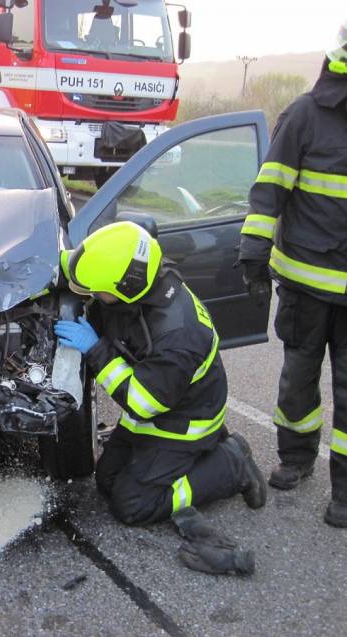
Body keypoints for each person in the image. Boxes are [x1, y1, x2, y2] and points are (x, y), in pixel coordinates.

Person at [56, 221, 268, 574]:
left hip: (181, 424)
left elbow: (143, 402)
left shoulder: (178, 335)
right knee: (106, 480)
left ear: (126, 288)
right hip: (154, 414)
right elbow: (71, 267)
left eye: (98, 292)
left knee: (131, 505)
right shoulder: (135, 273)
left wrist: (95, 349)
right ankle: (210, 461)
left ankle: (232, 463)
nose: (92, 296)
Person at [238, 20, 347, 529]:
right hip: (306, 285)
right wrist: (253, 252)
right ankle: (297, 458)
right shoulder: (304, 116)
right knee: (298, 379)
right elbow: (270, 190)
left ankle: (344, 493)